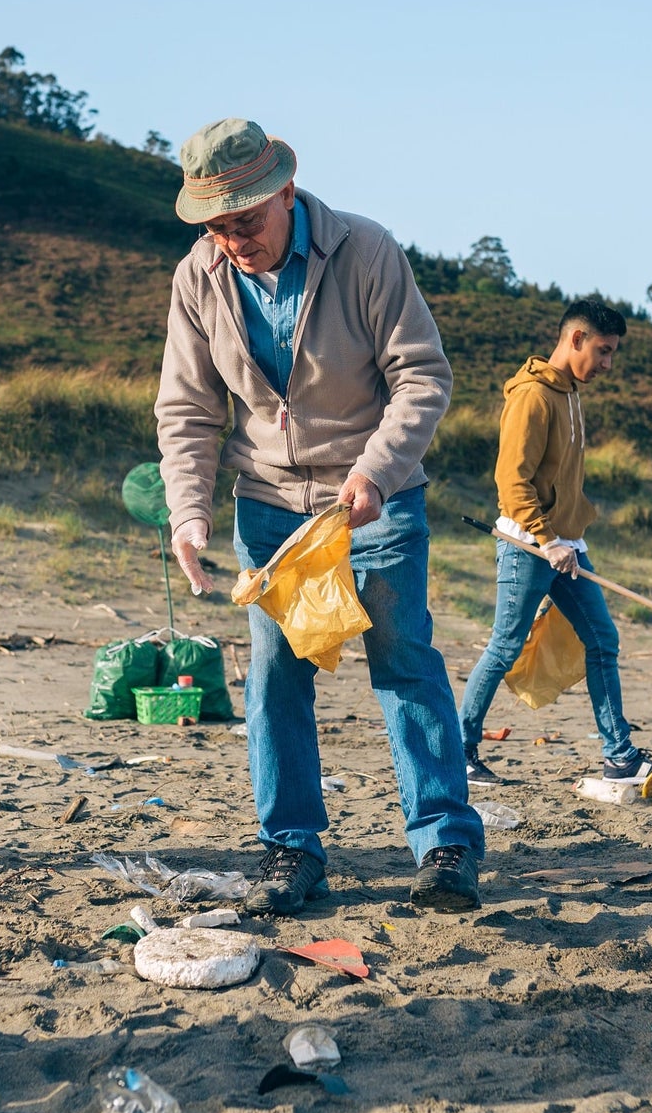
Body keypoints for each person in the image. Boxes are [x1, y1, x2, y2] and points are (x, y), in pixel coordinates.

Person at [156, 117, 486, 915]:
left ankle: (443, 842)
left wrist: (376, 470)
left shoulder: (367, 252)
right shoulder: (197, 280)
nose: (234, 240)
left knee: (404, 663)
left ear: (286, 193)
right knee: (275, 677)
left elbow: (422, 377)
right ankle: (291, 850)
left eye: (247, 221)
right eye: (217, 226)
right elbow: (189, 410)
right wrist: (189, 513)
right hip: (269, 508)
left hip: (374, 500)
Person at [458, 299, 652, 789]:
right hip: (529, 545)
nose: (607, 364)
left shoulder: (569, 393)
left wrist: (568, 539)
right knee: (504, 647)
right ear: (575, 339)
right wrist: (545, 539)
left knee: (602, 640)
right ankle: (459, 751)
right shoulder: (533, 397)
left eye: (613, 354)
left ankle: (620, 757)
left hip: (568, 545)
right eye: (603, 351)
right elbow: (511, 482)